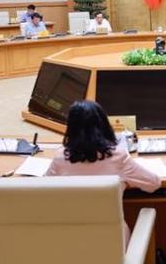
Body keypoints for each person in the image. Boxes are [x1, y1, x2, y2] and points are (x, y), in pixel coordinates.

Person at [46, 100, 160, 241]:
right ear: (104, 125)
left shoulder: (59, 160)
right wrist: (127, 181)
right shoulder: (119, 157)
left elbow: (43, 195)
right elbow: (154, 184)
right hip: (115, 247)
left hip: (69, 245)